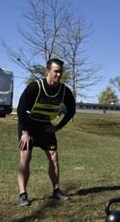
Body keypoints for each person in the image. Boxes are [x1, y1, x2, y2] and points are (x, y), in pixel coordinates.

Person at [17, 58, 76, 206]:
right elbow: (20, 109)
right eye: (56, 72)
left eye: (60, 72)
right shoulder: (35, 87)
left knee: (54, 156)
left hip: (45, 126)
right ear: (47, 71)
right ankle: (23, 195)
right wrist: (25, 132)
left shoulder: (64, 91)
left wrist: (58, 126)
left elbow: (71, 110)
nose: (58, 75)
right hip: (28, 125)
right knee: (26, 157)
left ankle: (56, 191)